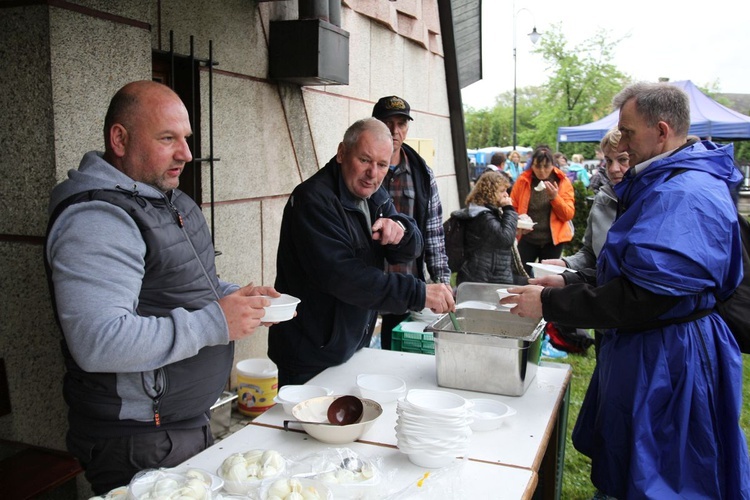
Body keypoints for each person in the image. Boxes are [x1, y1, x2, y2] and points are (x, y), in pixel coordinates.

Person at [503, 82, 750, 498]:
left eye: (629, 133)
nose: (622, 143)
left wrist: (549, 301)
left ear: (662, 130)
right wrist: (568, 279)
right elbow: (636, 272)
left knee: (667, 477)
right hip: (653, 352)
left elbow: (645, 297)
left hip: (672, 361)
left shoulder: (684, 193)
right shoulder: (668, 181)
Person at [45, 81, 279, 494]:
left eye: (186, 139)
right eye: (167, 139)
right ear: (120, 138)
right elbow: (98, 341)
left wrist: (240, 299)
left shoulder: (163, 199)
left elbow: (186, 285)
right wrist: (217, 322)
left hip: (182, 425)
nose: (186, 154)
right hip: (139, 441)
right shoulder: (98, 219)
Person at [268, 118, 455, 386]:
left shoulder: (374, 195)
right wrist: (418, 293)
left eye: (382, 165)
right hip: (310, 353)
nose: (373, 173)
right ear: (342, 153)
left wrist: (400, 232)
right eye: (365, 160)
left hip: (351, 344)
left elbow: (411, 248)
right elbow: (343, 277)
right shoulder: (313, 200)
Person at [371, 96, 452, 350]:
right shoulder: (361, 168)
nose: (395, 131)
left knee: (395, 350)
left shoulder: (421, 173)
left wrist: (442, 280)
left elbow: (434, 233)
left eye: (402, 123)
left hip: (404, 280)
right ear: (374, 124)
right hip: (364, 278)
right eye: (388, 123)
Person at [542, 128, 629, 357]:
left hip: (634, 319)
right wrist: (565, 264)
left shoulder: (648, 200)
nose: (613, 169)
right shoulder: (602, 199)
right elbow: (590, 252)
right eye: (608, 160)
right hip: (603, 314)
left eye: (623, 160)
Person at [510, 146, 575, 276]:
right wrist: (519, 219)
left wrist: (554, 198)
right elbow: (512, 208)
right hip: (527, 238)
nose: (542, 171)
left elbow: (568, 214)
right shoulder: (523, 181)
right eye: (537, 166)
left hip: (552, 241)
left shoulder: (562, 182)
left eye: (546, 166)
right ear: (531, 165)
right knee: (519, 275)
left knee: (547, 279)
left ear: (553, 165)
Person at [449, 171, 518, 285]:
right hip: (486, 277)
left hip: (485, 274)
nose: (506, 195)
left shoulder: (484, 212)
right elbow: (505, 238)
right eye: (502, 191)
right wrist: (509, 209)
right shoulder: (483, 216)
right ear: (489, 192)